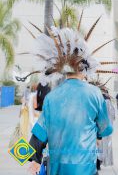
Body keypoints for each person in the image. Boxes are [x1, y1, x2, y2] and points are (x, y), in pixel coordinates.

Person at [25, 27, 113, 175]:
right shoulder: (95, 93)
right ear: (85, 69)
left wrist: (33, 159)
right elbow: (105, 128)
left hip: (57, 166)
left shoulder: (52, 96)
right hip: (85, 166)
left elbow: (40, 131)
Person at [97, 86, 116, 170]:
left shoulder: (97, 99)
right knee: (103, 144)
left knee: (98, 145)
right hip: (106, 126)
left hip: (98, 126)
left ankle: (97, 162)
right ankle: (100, 161)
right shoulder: (107, 100)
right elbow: (112, 115)